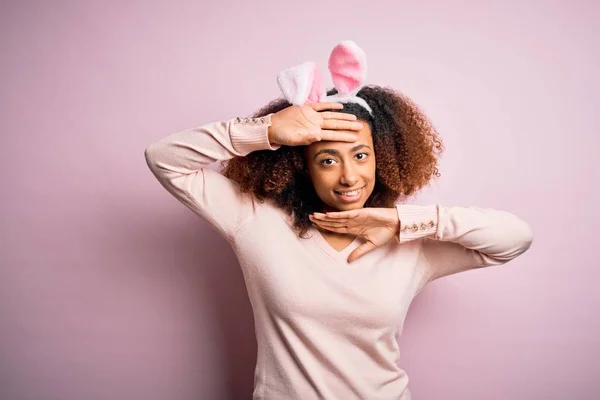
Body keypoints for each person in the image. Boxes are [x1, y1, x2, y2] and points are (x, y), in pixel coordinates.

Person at [144, 41, 533, 400]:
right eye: (328, 160)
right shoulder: (255, 219)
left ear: (382, 157)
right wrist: (266, 131)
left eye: (361, 155)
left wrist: (403, 222)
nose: (349, 176)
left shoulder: (411, 243)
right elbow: (164, 160)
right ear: (304, 168)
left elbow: (514, 238)